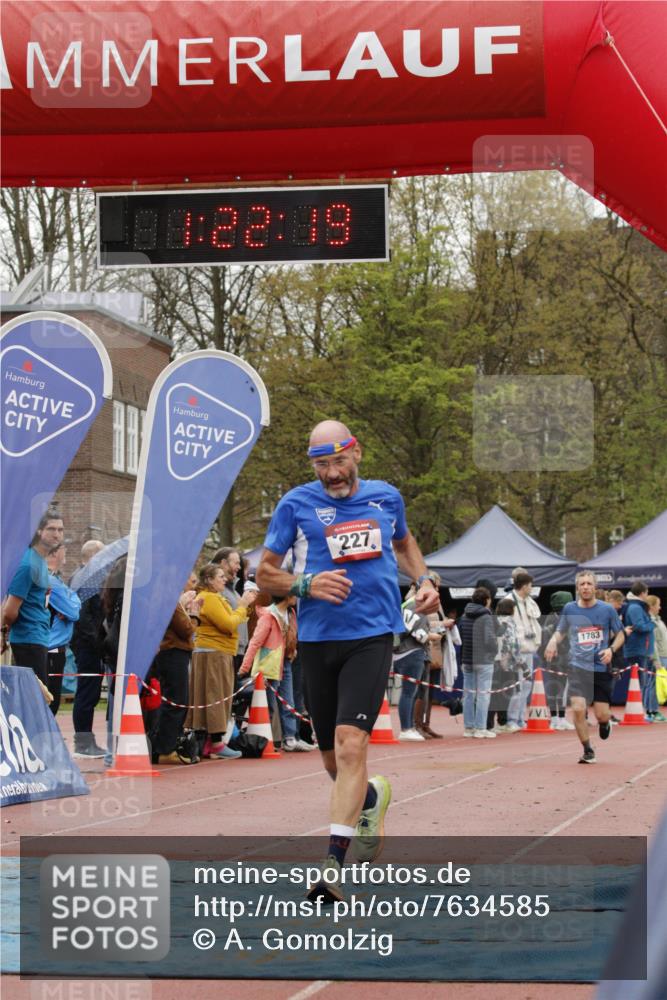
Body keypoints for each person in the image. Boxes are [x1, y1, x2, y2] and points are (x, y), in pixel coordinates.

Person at [255, 419, 439, 903]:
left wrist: (424, 580)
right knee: (334, 759)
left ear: (356, 453)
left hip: (372, 634)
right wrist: (304, 584)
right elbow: (264, 574)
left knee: (352, 744)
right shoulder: (296, 504)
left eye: (339, 461)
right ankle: (371, 799)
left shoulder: (386, 497)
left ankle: (332, 863)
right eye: (321, 465)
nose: (332, 473)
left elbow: (404, 544)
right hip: (317, 638)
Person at [545, 570, 625, 764]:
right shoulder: (569, 608)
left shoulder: (607, 610)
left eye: (589, 583)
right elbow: (560, 631)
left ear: (595, 587)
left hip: (600, 669)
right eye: (582, 584)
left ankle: (605, 723)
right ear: (577, 588)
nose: (586, 587)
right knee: (578, 710)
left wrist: (611, 650)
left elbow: (621, 634)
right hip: (577, 668)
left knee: (601, 714)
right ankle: (588, 750)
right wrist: (552, 642)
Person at [185, 563, 256, 759]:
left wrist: (244, 607)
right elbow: (228, 624)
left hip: (215, 652)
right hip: (214, 654)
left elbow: (233, 619)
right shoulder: (209, 598)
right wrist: (242, 606)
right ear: (208, 580)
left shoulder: (213, 597)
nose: (224, 579)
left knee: (213, 696)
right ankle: (215, 743)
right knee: (217, 696)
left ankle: (209, 741)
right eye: (220, 576)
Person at [239, 594, 314, 751]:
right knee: (269, 706)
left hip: (285, 663)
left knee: (289, 702)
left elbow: (290, 636)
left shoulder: (290, 614)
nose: (296, 597)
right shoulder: (268, 616)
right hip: (268, 667)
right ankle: (263, 741)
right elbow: (255, 642)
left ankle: (290, 737)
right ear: (286, 596)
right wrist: (245, 667)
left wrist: (292, 650)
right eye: (293, 593)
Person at [1, 509, 64, 685]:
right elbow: (9, 610)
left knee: (36, 697)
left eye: (60, 530)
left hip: (38, 638)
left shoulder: (39, 561)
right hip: (28, 640)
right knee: (36, 699)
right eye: (51, 529)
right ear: (38, 531)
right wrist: (4, 633)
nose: (57, 534)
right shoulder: (28, 564)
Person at [149, 582, 202, 765]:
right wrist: (194, 614)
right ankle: (165, 748)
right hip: (173, 653)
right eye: (190, 581)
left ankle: (166, 745)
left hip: (172, 653)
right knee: (176, 702)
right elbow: (186, 629)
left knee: (176, 702)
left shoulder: (166, 600)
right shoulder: (169, 601)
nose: (192, 587)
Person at [393, 584, 441, 741]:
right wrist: (432, 636)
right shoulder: (417, 606)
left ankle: (410, 727)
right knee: (409, 693)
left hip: (401, 653)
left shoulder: (406, 604)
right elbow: (419, 635)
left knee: (410, 693)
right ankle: (406, 728)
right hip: (412, 652)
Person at [44, 543, 81, 715]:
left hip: (55, 647)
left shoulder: (56, 579)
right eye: (63, 548)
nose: (66, 551)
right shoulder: (49, 580)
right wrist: (69, 606)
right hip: (50, 647)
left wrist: (69, 604)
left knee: (53, 698)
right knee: (50, 700)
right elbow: (73, 612)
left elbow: (75, 601)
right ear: (54, 553)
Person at [459, 586, 498, 738]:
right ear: (487, 600)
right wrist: (494, 650)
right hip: (483, 660)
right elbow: (489, 639)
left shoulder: (464, 615)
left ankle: (469, 727)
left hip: (467, 658)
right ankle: (481, 728)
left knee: (468, 694)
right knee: (483, 694)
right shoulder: (486, 616)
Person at [506, 570, 542, 730]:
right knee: (517, 686)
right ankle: (511, 719)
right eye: (530, 586)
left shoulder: (529, 601)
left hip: (529, 649)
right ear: (524, 586)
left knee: (527, 685)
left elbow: (535, 620)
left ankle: (520, 718)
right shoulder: (508, 601)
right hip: (516, 651)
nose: (532, 588)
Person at [621, 581, 657, 722]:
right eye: (647, 592)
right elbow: (640, 626)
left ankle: (639, 711)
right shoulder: (635, 607)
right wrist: (652, 623)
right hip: (637, 650)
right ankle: (638, 712)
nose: (647, 595)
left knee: (642, 683)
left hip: (641, 649)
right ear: (642, 593)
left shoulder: (637, 606)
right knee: (640, 683)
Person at [539, 591, 575, 731]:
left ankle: (558, 718)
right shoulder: (560, 619)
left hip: (555, 659)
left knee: (558, 689)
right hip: (558, 660)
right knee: (558, 689)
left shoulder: (551, 618)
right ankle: (557, 718)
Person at [487, 597, 523, 734]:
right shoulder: (510, 622)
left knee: (494, 692)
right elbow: (513, 644)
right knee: (506, 692)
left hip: (495, 660)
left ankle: (490, 722)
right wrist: (520, 661)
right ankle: (502, 721)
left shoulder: (495, 620)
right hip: (508, 662)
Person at [645, 595, 667, 722]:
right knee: (653, 685)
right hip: (658, 659)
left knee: (653, 684)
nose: (660, 607)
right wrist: (656, 661)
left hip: (664, 657)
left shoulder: (659, 621)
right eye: (658, 604)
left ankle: (651, 711)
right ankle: (652, 711)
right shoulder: (651, 623)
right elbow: (652, 643)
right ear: (652, 606)